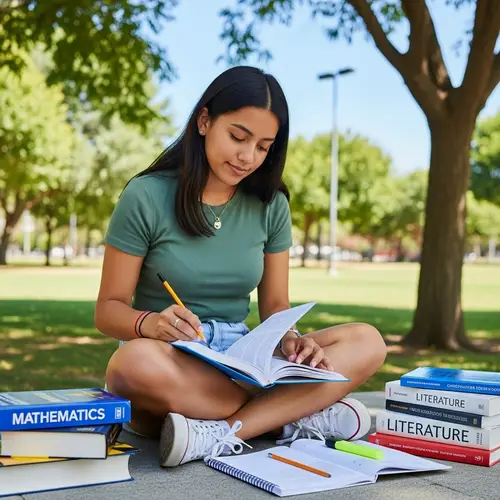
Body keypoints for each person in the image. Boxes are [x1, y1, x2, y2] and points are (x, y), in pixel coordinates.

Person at [95, 66, 387, 468]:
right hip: (171, 356)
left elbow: (276, 305)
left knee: (367, 341)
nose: (248, 156)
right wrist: (151, 324)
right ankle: (286, 416)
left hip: (244, 357)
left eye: (264, 146)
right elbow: (108, 309)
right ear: (204, 121)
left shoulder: (271, 205)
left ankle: (223, 431)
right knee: (129, 364)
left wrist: (291, 339)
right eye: (238, 136)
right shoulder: (145, 196)